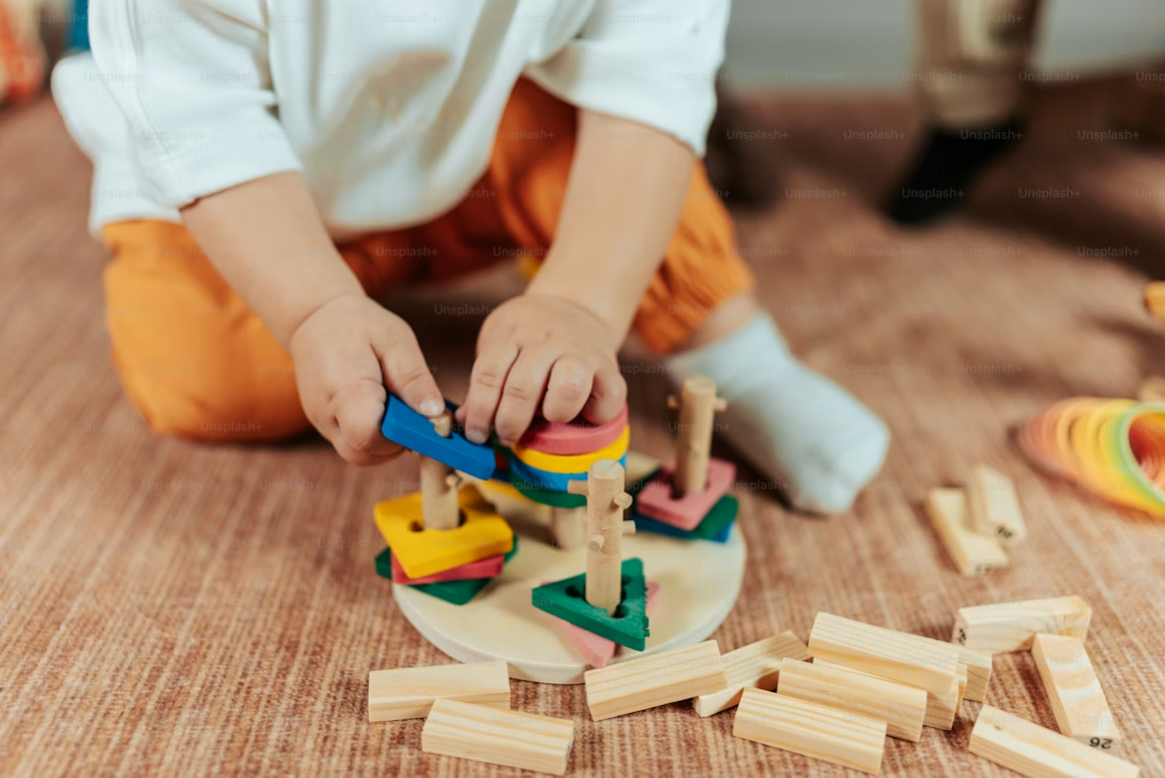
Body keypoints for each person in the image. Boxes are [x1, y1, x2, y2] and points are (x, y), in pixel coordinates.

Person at [53, 0, 889, 514]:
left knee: (630, 172)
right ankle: (345, 285)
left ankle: (737, 362)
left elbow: (648, 82)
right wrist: (313, 309)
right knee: (209, 380)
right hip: (235, 189)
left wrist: (584, 301)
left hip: (471, 133)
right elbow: (196, 120)